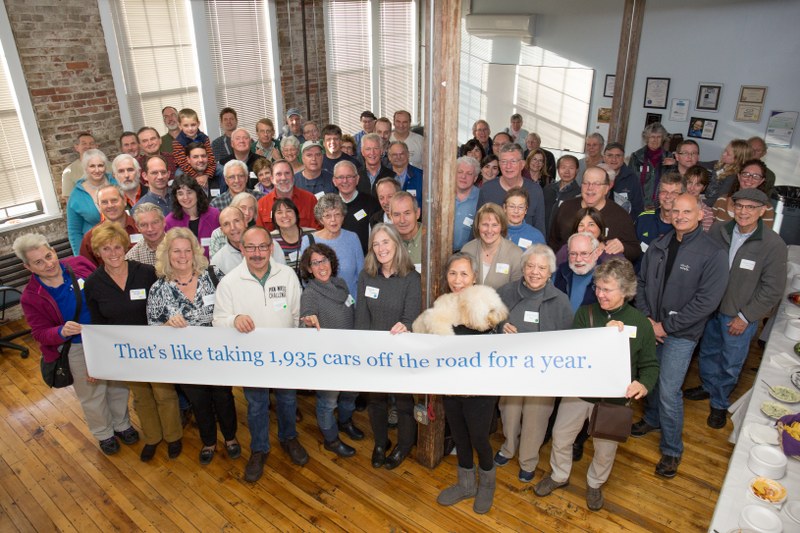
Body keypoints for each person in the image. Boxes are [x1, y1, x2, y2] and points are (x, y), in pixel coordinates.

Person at [535, 258, 658, 511]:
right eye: (598, 288)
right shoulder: (585, 313)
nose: (600, 294)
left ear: (625, 291)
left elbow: (650, 366)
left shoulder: (641, 323)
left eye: (607, 289)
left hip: (614, 398)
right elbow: (576, 352)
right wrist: (605, 333)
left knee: (605, 448)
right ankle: (559, 475)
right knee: (560, 437)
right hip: (580, 392)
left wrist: (643, 385)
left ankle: (595, 483)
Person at [632, 194, 728, 479]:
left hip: (681, 335)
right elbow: (640, 283)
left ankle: (672, 449)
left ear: (701, 215)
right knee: (650, 376)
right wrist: (649, 320)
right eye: (676, 210)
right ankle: (651, 419)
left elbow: (706, 301)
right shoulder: (660, 245)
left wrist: (666, 327)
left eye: (687, 211)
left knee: (670, 390)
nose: (680, 215)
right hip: (653, 328)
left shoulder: (713, 253)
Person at [15, 233, 138, 455]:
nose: (48, 264)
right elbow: (40, 333)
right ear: (28, 267)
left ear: (53, 250)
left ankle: (122, 424)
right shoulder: (32, 296)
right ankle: (104, 433)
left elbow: (106, 287)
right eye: (38, 262)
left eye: (48, 255)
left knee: (118, 385)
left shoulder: (79, 264)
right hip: (76, 346)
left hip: (105, 337)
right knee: (92, 391)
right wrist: (60, 331)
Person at [412, 253, 508, 514]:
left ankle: (487, 483)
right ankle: (466, 484)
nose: (458, 280)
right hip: (451, 386)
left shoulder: (487, 300)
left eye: (464, 274)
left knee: (479, 437)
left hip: (479, 388)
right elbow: (421, 332)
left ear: (474, 277)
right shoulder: (443, 304)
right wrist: (405, 332)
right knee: (459, 436)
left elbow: (493, 329)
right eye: (453, 274)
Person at [686, 188, 787, 428]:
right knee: (709, 352)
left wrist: (746, 316)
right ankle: (708, 386)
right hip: (711, 310)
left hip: (740, 315)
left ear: (762, 211)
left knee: (731, 362)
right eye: (740, 206)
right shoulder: (718, 231)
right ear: (733, 207)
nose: (744, 212)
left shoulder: (773, 244)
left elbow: (772, 289)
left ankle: (719, 404)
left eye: (751, 207)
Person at [213, 226, 306, 481]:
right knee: (256, 405)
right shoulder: (230, 282)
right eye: (251, 247)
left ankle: (289, 438)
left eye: (263, 246)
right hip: (251, 359)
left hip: (284, 355)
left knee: (288, 400)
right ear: (241, 249)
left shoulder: (287, 275)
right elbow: (217, 320)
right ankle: (259, 448)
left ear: (271, 248)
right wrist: (234, 319)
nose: (257, 253)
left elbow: (297, 315)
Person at [84, 223, 182, 462]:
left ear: (126, 247)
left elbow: (165, 305)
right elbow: (97, 324)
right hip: (126, 351)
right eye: (106, 249)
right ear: (98, 252)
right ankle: (152, 437)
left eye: (118, 246)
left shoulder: (146, 272)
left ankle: (173, 437)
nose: (114, 253)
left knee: (164, 393)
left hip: (155, 345)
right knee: (141, 397)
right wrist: (97, 361)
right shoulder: (93, 284)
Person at [147, 228, 240, 465]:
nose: (182, 255)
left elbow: (233, 306)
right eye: (176, 251)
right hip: (185, 360)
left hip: (219, 353)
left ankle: (230, 438)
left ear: (195, 252)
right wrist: (167, 324)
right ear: (167, 254)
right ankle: (209, 441)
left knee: (224, 397)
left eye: (187, 250)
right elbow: (152, 327)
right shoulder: (158, 288)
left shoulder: (213, 275)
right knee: (199, 402)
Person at [495, 245, 573, 484]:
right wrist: (500, 327)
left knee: (535, 417)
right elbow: (491, 321)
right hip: (510, 368)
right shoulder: (506, 291)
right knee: (509, 411)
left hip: (543, 373)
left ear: (550, 271)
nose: (535, 272)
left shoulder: (560, 300)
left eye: (541, 267)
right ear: (523, 268)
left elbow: (567, 340)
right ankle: (508, 447)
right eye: (530, 266)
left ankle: (528, 459)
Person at [355, 223, 421, 470]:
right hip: (374, 352)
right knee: (376, 401)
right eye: (376, 243)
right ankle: (381, 443)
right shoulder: (366, 276)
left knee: (404, 403)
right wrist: (363, 351)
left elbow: (410, 317)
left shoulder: (411, 278)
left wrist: (405, 327)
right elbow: (362, 316)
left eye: (386, 242)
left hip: (402, 351)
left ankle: (404, 444)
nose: (381, 248)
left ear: (396, 243)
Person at [298, 243, 363, 457]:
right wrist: (308, 320)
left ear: (331, 262)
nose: (321, 266)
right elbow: (306, 316)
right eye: (315, 263)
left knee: (351, 392)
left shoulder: (341, 284)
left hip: (350, 353)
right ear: (309, 268)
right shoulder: (310, 293)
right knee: (328, 401)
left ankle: (345, 422)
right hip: (328, 359)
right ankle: (331, 439)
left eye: (324, 260)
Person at [549, 166, 641, 263]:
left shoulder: (620, 216)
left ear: (607, 188)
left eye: (596, 184)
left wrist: (623, 247)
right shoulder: (566, 208)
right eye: (586, 183)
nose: (590, 188)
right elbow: (553, 242)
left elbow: (635, 251)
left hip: (602, 274)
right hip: (566, 272)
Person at [303, 194, 364, 298]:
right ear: (321, 220)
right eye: (327, 216)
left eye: (337, 214)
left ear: (343, 217)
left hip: (350, 305)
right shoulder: (308, 241)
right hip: (322, 306)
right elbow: (305, 279)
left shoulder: (352, 238)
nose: (333, 220)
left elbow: (362, 275)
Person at [477, 143, 546, 234]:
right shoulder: (487, 189)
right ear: (499, 164)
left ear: (522, 164)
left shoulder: (535, 191)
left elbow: (540, 228)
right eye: (504, 161)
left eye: (513, 161)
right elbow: (478, 223)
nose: (508, 166)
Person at [66, 149, 117, 255]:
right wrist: (80, 258)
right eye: (92, 166)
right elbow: (74, 231)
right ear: (85, 168)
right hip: (95, 249)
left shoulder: (116, 184)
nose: (97, 170)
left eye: (100, 165)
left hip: (121, 242)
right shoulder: (76, 195)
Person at [461, 203, 522, 289]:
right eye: (485, 225)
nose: (489, 230)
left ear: (502, 227)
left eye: (494, 225)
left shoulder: (515, 254)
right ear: (478, 225)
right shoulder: (467, 250)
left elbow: (516, 292)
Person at [78, 184, 138, 265]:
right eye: (104, 202)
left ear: (124, 201)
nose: (110, 205)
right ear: (99, 206)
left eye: (114, 200)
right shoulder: (91, 238)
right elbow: (86, 271)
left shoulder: (142, 227)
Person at [164, 175, 221, 257]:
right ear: (176, 197)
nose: (185, 197)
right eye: (180, 194)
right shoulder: (169, 221)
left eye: (189, 192)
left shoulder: (214, 215)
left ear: (197, 193)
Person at [256, 159, 319, 231]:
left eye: (287, 173)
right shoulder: (262, 204)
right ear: (272, 179)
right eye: (278, 174)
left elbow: (317, 231)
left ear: (293, 177)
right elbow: (260, 234)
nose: (283, 178)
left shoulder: (310, 199)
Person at [712, 159, 775, 228]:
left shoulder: (766, 208)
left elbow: (764, 236)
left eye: (756, 176)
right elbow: (709, 228)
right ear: (739, 176)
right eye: (746, 174)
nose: (749, 179)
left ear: (761, 181)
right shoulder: (722, 200)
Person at [334, 160, 380, 254]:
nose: (345, 181)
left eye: (349, 176)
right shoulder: (329, 204)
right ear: (334, 181)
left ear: (357, 179)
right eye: (341, 177)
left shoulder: (371, 203)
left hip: (364, 261)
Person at [554, 207, 623, 266]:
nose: (586, 229)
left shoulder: (612, 253)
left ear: (600, 227)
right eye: (581, 225)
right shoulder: (565, 250)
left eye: (591, 225)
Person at [635, 173, 685, 250]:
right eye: (664, 192)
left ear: (682, 196)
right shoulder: (643, 218)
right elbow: (631, 248)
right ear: (658, 194)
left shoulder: (685, 225)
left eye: (674, 193)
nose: (668, 196)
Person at [554, 232, 601, 312]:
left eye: (584, 254)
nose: (578, 259)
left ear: (596, 254)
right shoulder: (562, 272)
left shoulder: (606, 276)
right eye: (573, 254)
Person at [628, 123, 671, 209]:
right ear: (646, 138)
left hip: (661, 203)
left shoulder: (669, 157)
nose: (655, 140)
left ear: (663, 139)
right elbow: (630, 181)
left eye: (659, 137)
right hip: (639, 202)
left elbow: (674, 181)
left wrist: (674, 164)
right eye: (652, 137)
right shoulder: (636, 156)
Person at [270, 197, 314, 274]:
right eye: (279, 212)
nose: (284, 215)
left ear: (296, 214)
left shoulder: (312, 234)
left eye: (289, 211)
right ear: (274, 218)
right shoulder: (269, 239)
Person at [603, 142, 644, 220]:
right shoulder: (595, 174)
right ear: (604, 157)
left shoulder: (632, 178)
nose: (614, 159)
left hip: (624, 223)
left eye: (618, 156)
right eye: (610, 155)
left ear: (623, 158)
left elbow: (638, 208)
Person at [171, 108, 215, 181]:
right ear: (180, 125)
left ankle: (222, 192)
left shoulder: (204, 138)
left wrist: (206, 175)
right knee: (178, 173)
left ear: (198, 124)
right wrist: (197, 177)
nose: (190, 128)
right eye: (186, 125)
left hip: (204, 166)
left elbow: (210, 158)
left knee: (221, 169)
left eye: (193, 125)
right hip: (186, 169)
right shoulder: (177, 142)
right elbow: (183, 163)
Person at [704, 139, 751, 206]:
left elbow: (718, 199)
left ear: (737, 159)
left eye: (728, 154)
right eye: (725, 150)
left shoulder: (732, 177)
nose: (723, 154)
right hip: (707, 198)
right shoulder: (720, 164)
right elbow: (700, 164)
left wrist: (698, 202)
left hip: (716, 205)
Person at [543, 155, 581, 235]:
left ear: (577, 170)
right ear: (558, 169)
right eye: (563, 167)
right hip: (543, 235)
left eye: (571, 168)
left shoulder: (580, 194)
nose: (567, 171)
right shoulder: (548, 189)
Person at [389, 191, 424, 268]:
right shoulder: (387, 242)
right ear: (391, 217)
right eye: (397, 214)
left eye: (407, 213)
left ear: (417, 213)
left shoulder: (432, 239)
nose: (402, 220)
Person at [454, 156, 481, 252]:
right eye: (460, 172)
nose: (463, 176)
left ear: (475, 178)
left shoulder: (481, 198)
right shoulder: (442, 195)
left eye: (469, 173)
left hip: (469, 254)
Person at [62, 131, 97, 199]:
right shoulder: (69, 171)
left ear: (96, 146)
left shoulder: (109, 166)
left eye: (91, 143)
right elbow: (69, 200)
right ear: (77, 147)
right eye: (84, 144)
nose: (88, 146)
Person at [685, 165, 715, 231]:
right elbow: (656, 212)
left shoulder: (707, 213)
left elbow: (704, 237)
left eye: (698, 185)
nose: (692, 188)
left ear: (703, 188)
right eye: (690, 182)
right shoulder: (674, 201)